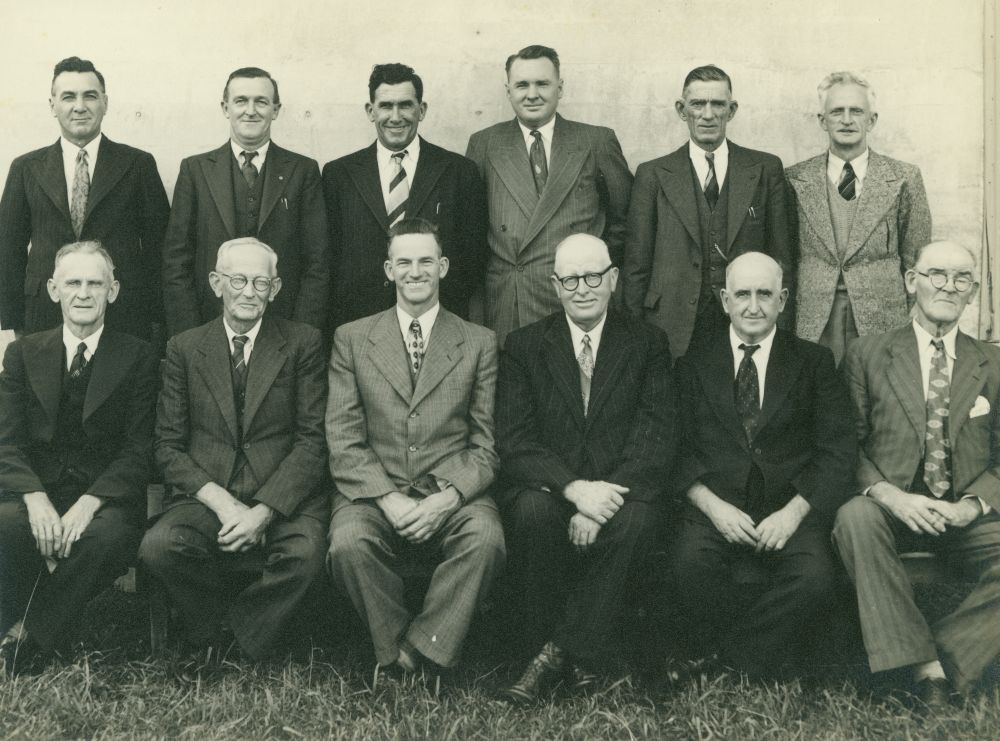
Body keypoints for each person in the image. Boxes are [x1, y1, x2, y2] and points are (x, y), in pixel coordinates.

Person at [496, 233, 676, 703]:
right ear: (555, 287)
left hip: (621, 492)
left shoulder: (648, 344)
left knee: (638, 521)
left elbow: (654, 437)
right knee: (531, 512)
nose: (582, 289)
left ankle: (554, 654)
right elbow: (515, 441)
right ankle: (577, 651)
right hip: (553, 490)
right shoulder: (523, 346)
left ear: (613, 279)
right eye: (571, 280)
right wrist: (575, 490)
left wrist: (602, 501)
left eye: (593, 277)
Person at [326, 218, 504, 684]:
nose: (415, 271)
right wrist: (388, 498)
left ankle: (418, 650)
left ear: (442, 267)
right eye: (403, 262)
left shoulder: (478, 341)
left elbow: (485, 445)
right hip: (375, 489)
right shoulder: (352, 338)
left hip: (448, 488)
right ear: (389, 270)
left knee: (486, 539)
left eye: (426, 261)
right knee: (348, 544)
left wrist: (448, 497)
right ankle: (396, 645)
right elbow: (343, 438)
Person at [139, 238, 329, 662]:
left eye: (260, 282)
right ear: (216, 283)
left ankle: (231, 636)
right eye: (238, 280)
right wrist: (224, 505)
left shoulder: (302, 343)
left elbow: (312, 440)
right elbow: (167, 446)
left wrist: (264, 512)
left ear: (275, 289)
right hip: (208, 495)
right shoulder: (184, 347)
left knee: (306, 555)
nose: (249, 292)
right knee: (160, 546)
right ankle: (216, 626)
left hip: (282, 498)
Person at [672, 251, 856, 676]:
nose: (753, 306)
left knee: (815, 579)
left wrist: (793, 514)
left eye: (764, 294)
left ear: (783, 300)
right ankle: (756, 653)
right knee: (688, 566)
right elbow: (676, 448)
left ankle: (728, 658)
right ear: (725, 300)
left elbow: (838, 450)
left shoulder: (814, 362)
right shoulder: (693, 363)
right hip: (717, 507)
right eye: (742, 295)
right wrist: (713, 507)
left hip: (789, 508)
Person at [833, 240, 1000, 709]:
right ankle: (924, 669)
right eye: (936, 275)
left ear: (973, 292)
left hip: (963, 515)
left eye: (961, 279)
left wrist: (972, 507)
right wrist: (892, 497)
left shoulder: (993, 363)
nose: (948, 286)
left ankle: (945, 656)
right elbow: (846, 446)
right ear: (911, 281)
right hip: (891, 508)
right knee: (853, 517)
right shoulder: (867, 354)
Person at [0, 241, 158, 675]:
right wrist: (35, 498)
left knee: (105, 540)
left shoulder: (139, 355)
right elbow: (6, 441)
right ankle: (33, 620)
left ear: (114, 291)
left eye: (95, 283)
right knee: (6, 525)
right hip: (37, 489)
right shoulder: (22, 353)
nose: (83, 293)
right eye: (73, 283)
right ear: (54, 290)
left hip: (104, 496)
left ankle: (26, 636)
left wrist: (90, 503)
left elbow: (139, 449)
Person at [465, 45, 632, 348]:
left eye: (542, 83)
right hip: (510, 302)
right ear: (508, 91)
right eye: (522, 85)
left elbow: (626, 221)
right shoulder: (484, 144)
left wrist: (589, 272)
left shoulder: (596, 141)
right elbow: (472, 230)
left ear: (560, 88)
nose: (532, 94)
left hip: (578, 298)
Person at [623, 65, 792, 360]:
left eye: (718, 104)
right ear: (682, 109)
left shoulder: (765, 169)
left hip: (745, 320)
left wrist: (782, 333)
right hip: (671, 322)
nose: (708, 114)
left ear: (732, 110)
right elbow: (636, 266)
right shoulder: (653, 174)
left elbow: (782, 260)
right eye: (698, 104)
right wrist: (633, 337)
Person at [0, 56, 169, 341]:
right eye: (68, 97)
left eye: (90, 96)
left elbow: (158, 247)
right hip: (44, 315)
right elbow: (8, 250)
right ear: (52, 105)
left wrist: (157, 321)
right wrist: (15, 320)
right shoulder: (26, 167)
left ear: (105, 103)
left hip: (124, 315)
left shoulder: (137, 164)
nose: (79, 106)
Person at [162, 67, 329, 337]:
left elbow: (317, 263)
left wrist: (301, 334)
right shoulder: (195, 170)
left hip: (282, 330)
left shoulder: (303, 171)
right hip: (208, 327)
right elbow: (176, 261)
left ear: (275, 110)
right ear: (225, 108)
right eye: (241, 101)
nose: (250, 111)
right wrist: (190, 335)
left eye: (261, 102)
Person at [322, 63, 487, 328]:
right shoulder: (338, 174)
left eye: (406, 105)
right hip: (360, 323)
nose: (396, 117)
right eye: (386, 106)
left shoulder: (459, 171)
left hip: (439, 320)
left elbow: (473, 257)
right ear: (370, 111)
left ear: (422, 110)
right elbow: (329, 258)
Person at [786, 71, 932, 365]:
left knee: (876, 389)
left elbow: (916, 259)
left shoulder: (904, 178)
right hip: (814, 318)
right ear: (822, 120)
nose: (846, 120)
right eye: (836, 111)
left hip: (882, 317)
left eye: (856, 111)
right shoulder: (794, 179)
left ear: (871, 120)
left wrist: (908, 312)